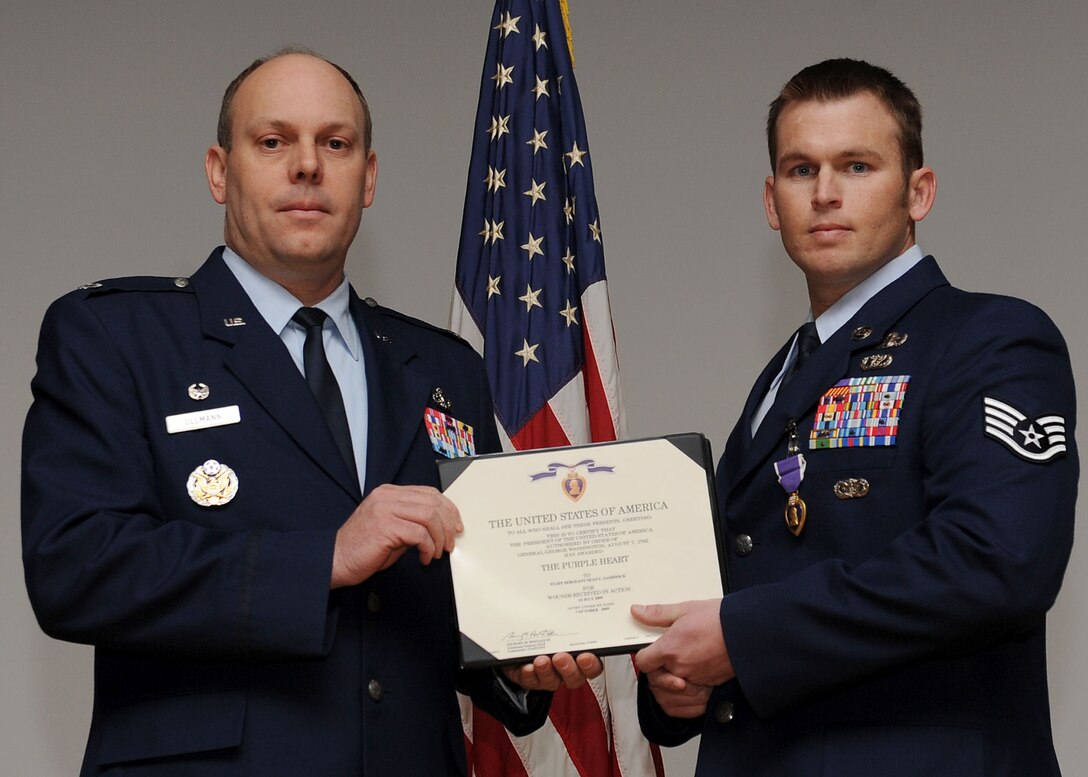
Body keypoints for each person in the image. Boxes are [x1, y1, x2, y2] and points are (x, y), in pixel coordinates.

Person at [21, 49, 601, 776]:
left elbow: (451, 596)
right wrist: (321, 559)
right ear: (218, 170)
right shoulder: (117, 336)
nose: (307, 166)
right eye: (273, 142)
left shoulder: (443, 368)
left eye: (335, 143)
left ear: (369, 178)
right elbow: (75, 567)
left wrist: (516, 661)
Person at [632, 58, 1077, 776]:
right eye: (801, 170)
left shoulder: (990, 338)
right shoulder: (784, 373)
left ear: (918, 192)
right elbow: (745, 579)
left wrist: (742, 637)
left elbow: (999, 559)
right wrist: (676, 682)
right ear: (772, 200)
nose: (827, 193)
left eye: (858, 165)